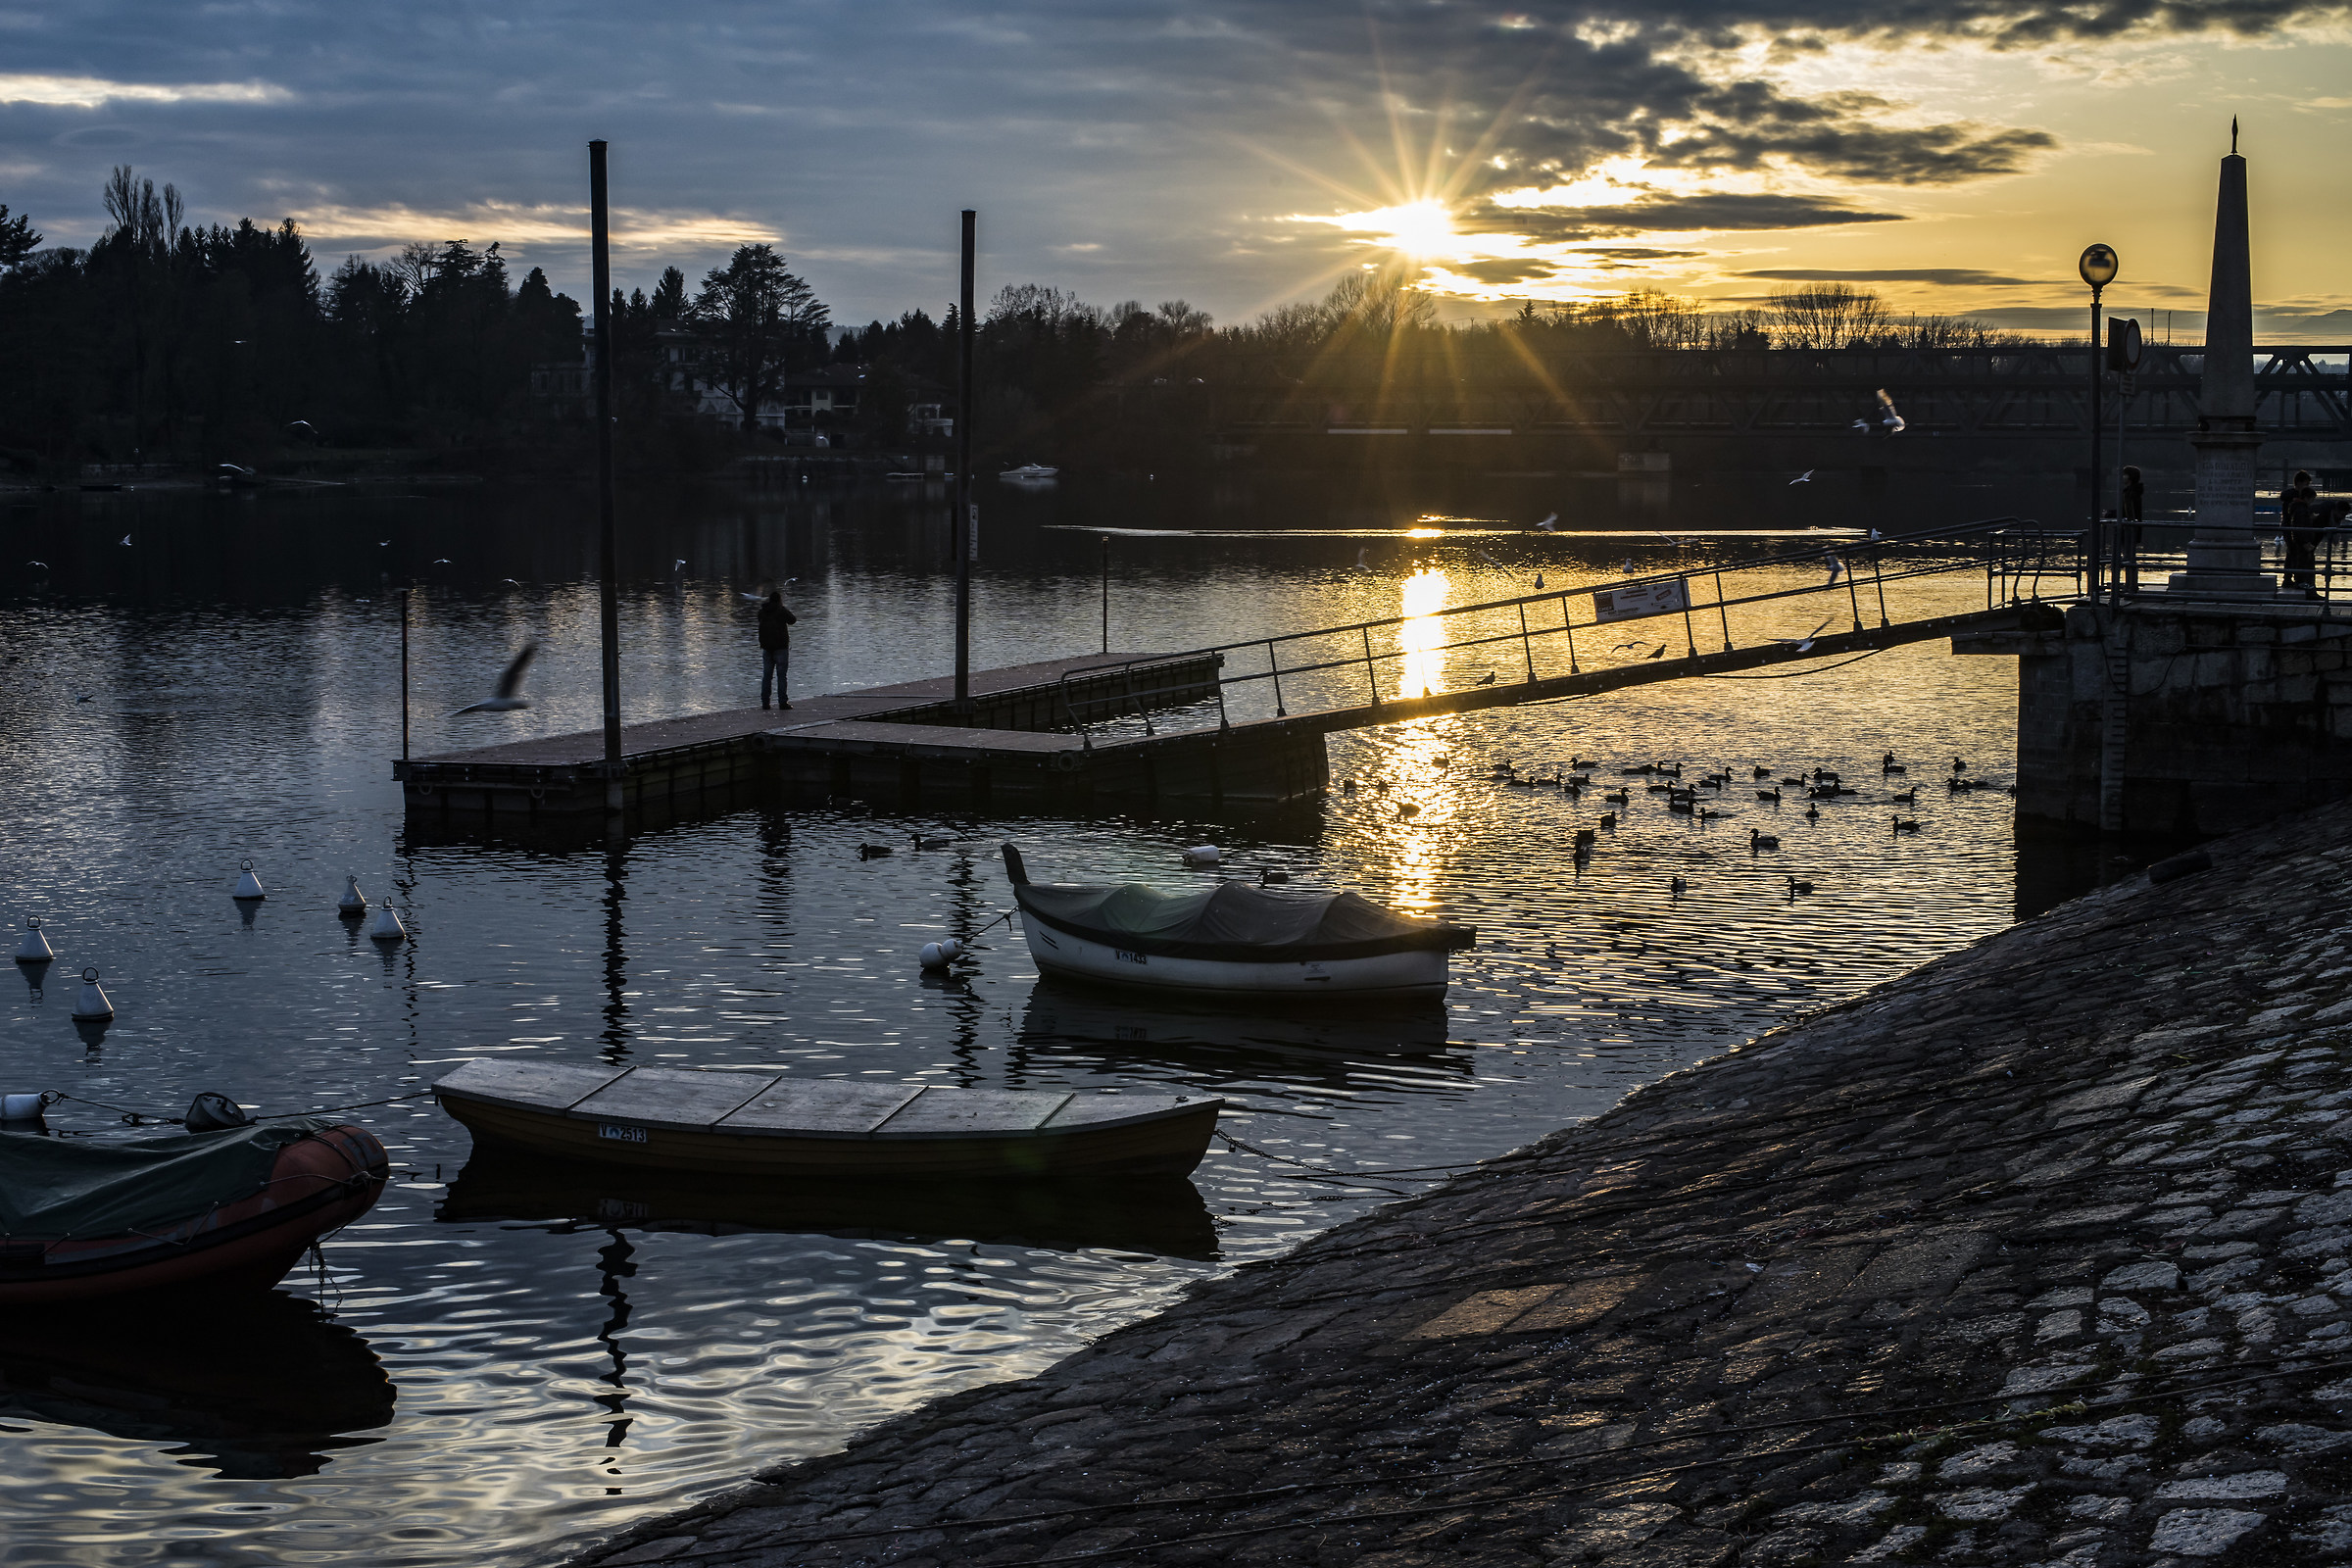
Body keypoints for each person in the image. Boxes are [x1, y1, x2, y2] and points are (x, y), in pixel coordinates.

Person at [758, 590, 798, 710]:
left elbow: (759, 619)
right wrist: (782, 607)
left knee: (767, 676)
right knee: (781, 676)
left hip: (766, 648)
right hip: (781, 648)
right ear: (779, 600)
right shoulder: (781, 611)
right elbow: (793, 620)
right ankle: (782, 702)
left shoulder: (762, 611)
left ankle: (765, 702)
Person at [2283, 470, 2320, 596]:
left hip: (2292, 530)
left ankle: (2291, 579)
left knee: (2293, 554)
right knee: (2296, 554)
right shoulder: (2294, 499)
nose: (2307, 486)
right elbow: (2295, 520)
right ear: (2299, 483)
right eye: (2306, 484)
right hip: (2292, 530)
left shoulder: (2296, 501)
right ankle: (2295, 580)